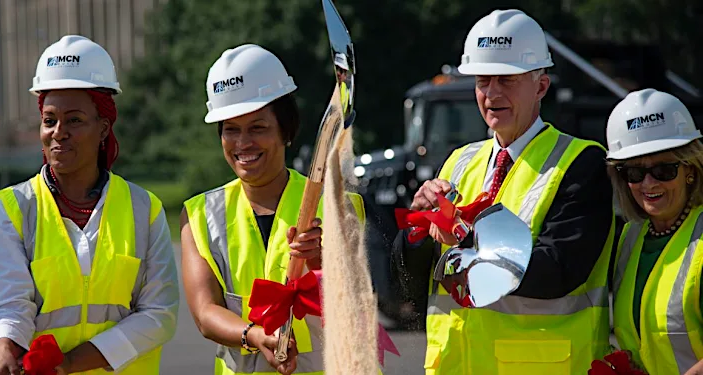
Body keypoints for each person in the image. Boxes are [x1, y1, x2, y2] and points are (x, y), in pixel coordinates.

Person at [399, 9, 616, 374]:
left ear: (541, 86)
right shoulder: (459, 162)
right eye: (483, 80)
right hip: (457, 365)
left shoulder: (581, 162)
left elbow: (557, 271)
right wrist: (418, 230)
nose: (492, 93)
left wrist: (462, 237)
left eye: (506, 79)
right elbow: (410, 279)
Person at [0, 35, 178, 375]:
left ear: (103, 128)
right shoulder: (12, 210)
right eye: (49, 119)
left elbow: (159, 314)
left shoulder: (144, 209)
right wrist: (5, 350)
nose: (58, 132)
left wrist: (71, 362)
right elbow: (9, 304)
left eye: (74, 120)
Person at [180, 44, 365, 375]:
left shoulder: (338, 205)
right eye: (231, 129)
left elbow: (357, 300)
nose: (242, 143)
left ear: (285, 129)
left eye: (258, 128)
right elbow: (205, 312)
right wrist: (254, 335)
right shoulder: (199, 215)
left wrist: (321, 262)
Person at [607, 89, 703, 375]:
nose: (648, 183)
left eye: (663, 170)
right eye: (634, 173)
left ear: (690, 168)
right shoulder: (631, 238)